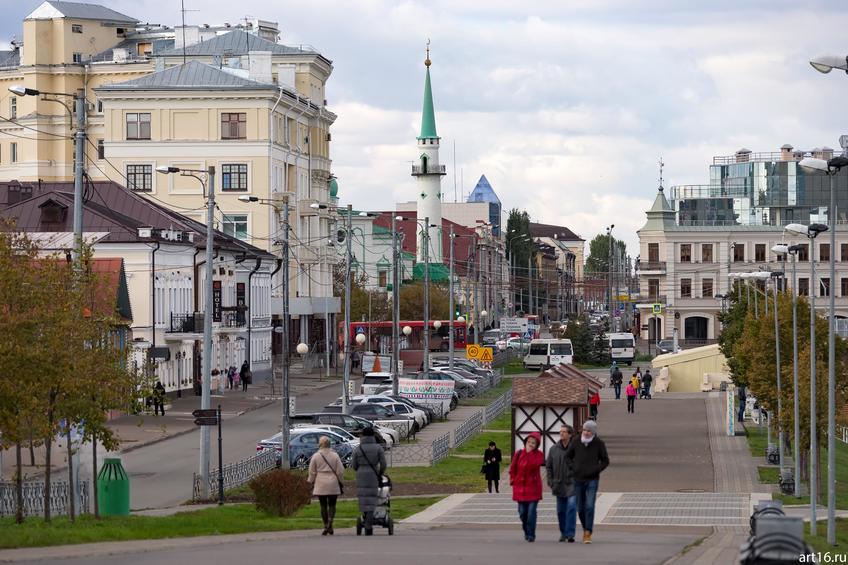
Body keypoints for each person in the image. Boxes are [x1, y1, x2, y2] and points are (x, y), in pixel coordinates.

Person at [566, 420, 610, 544]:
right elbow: (567, 457)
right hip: (578, 479)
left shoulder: (599, 444)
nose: (586, 433)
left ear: (593, 432)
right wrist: (573, 468)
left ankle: (587, 532)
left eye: (589, 431)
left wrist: (596, 469)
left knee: (590, 506)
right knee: (580, 508)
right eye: (585, 430)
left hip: (592, 479)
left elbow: (605, 461)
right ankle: (586, 527)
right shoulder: (576, 441)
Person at [508, 431, 545, 542]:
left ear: (537, 445)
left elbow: (534, 465)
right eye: (529, 442)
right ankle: (526, 530)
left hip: (533, 488)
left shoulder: (539, 454)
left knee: (531, 512)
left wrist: (529, 453)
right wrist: (513, 480)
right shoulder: (518, 453)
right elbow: (513, 468)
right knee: (522, 512)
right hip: (520, 488)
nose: (530, 444)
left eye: (533, 443)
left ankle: (531, 534)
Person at [351, 426, 386, 535]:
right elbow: (383, 464)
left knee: (363, 498)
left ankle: (365, 519)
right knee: (372, 498)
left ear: (363, 436)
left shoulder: (358, 448)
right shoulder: (378, 448)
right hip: (373, 474)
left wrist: (360, 470)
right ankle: (368, 524)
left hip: (361, 475)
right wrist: (379, 473)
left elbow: (354, 464)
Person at [308, 436, 345, 536]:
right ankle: (330, 523)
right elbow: (340, 471)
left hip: (320, 482)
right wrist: (341, 481)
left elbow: (312, 472)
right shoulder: (335, 455)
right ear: (330, 444)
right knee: (332, 504)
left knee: (323, 505)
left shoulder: (316, 456)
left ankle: (325, 525)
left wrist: (310, 482)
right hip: (333, 481)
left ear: (320, 444)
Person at [546, 425, 576, 543]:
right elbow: (548, 467)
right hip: (558, 484)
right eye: (561, 432)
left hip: (572, 484)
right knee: (560, 511)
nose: (562, 434)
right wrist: (550, 481)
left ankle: (570, 534)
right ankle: (563, 533)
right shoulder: (554, 449)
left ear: (570, 434)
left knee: (572, 507)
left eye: (564, 432)